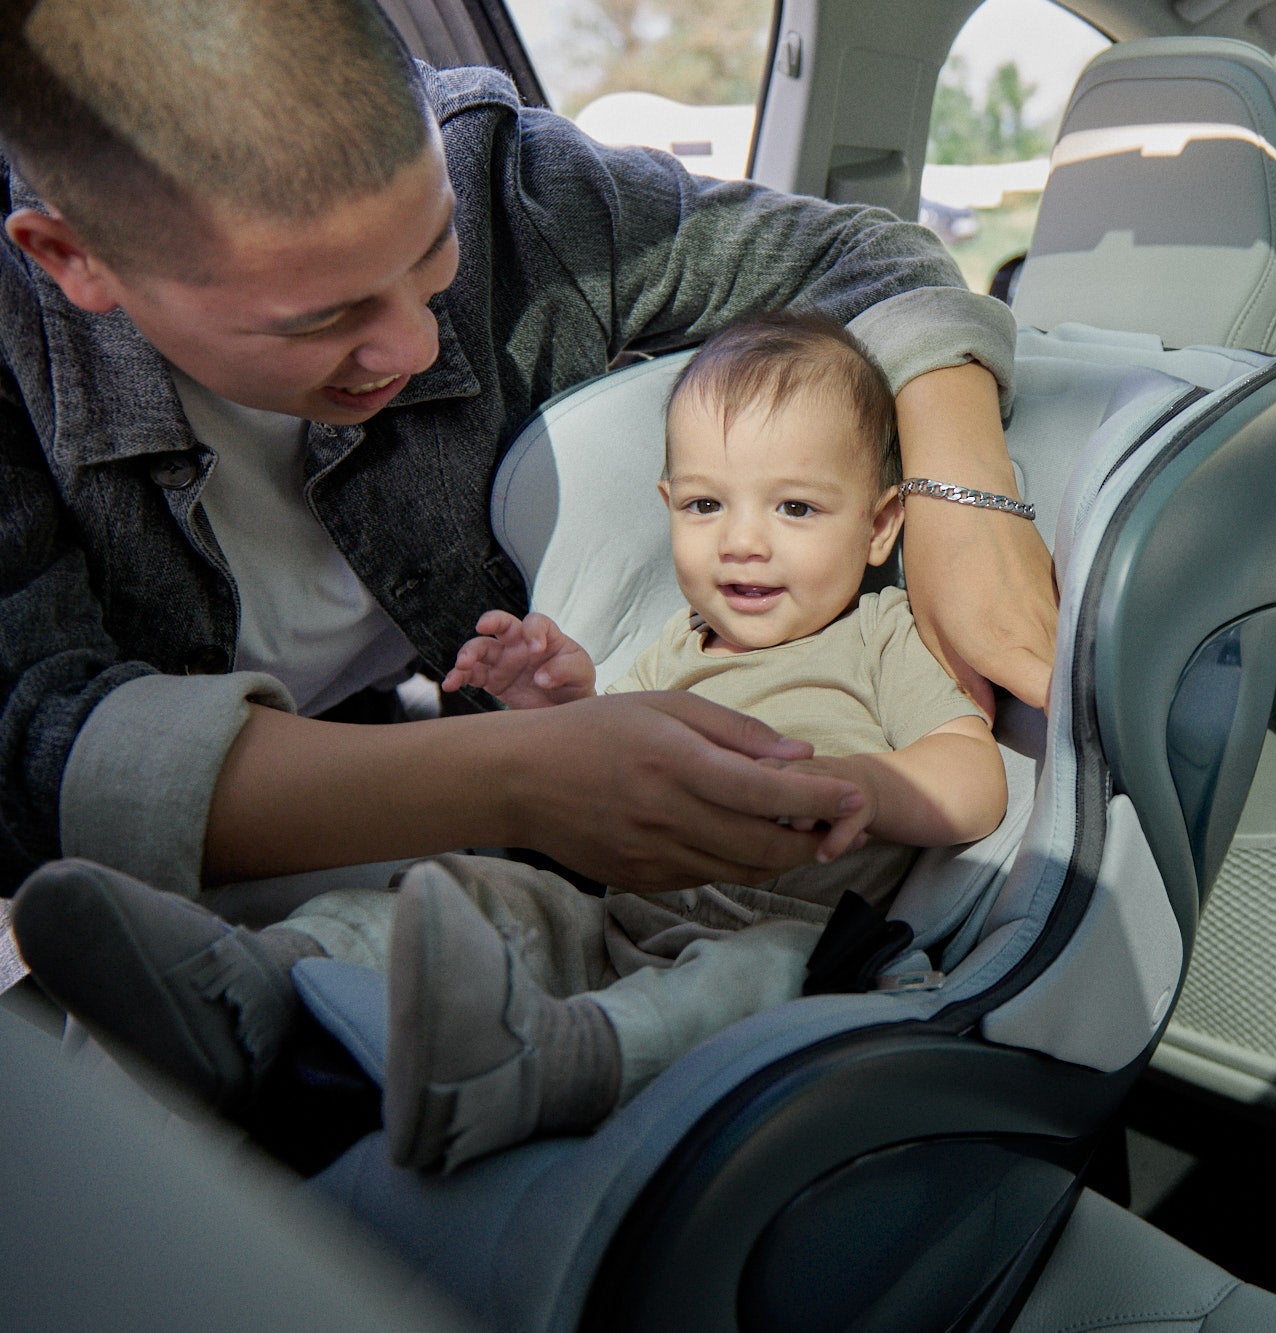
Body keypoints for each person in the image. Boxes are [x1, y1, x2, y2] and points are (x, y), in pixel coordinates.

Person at [0, 0, 1054, 903]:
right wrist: (519, 772)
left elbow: (861, 254)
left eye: (432, 251)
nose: (416, 345)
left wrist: (962, 498)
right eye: (318, 318)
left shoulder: (511, 182)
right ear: (72, 260)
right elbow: (38, 746)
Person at [15, 311, 1011, 1173]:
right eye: (707, 505)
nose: (741, 541)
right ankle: (257, 985)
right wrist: (558, 700)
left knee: (746, 977)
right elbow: (606, 770)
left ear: (882, 526)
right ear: (668, 506)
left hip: (784, 939)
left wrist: (862, 786)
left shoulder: (881, 635)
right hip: (613, 924)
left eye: (794, 508)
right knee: (464, 895)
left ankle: (550, 1062)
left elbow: (972, 781)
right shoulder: (678, 640)